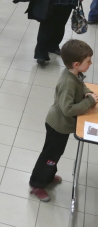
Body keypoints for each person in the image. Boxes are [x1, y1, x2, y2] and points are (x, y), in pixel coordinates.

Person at [29, 39, 98, 202]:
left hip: (62, 126)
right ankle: (37, 183)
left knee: (55, 154)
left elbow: (82, 86)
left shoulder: (74, 74)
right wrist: (89, 102)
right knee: (49, 156)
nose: (91, 63)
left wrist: (88, 93)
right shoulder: (68, 83)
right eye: (88, 61)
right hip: (57, 126)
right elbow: (67, 110)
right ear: (76, 64)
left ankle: (49, 175)